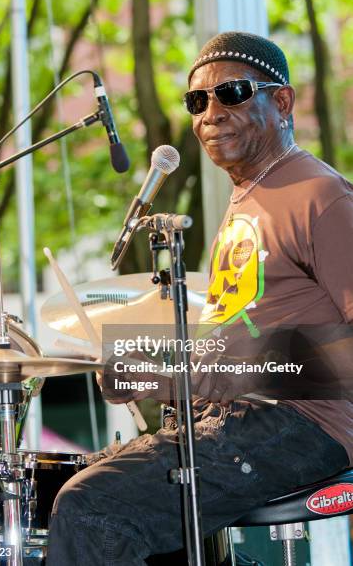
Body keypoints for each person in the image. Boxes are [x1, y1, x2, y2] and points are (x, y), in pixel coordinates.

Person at [46, 32, 353, 565]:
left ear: (281, 102)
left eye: (231, 92)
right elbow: (234, 343)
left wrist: (181, 379)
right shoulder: (246, 201)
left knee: (94, 505)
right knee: (79, 484)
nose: (210, 111)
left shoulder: (320, 197)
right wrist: (150, 369)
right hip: (241, 416)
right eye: (196, 100)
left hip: (308, 424)